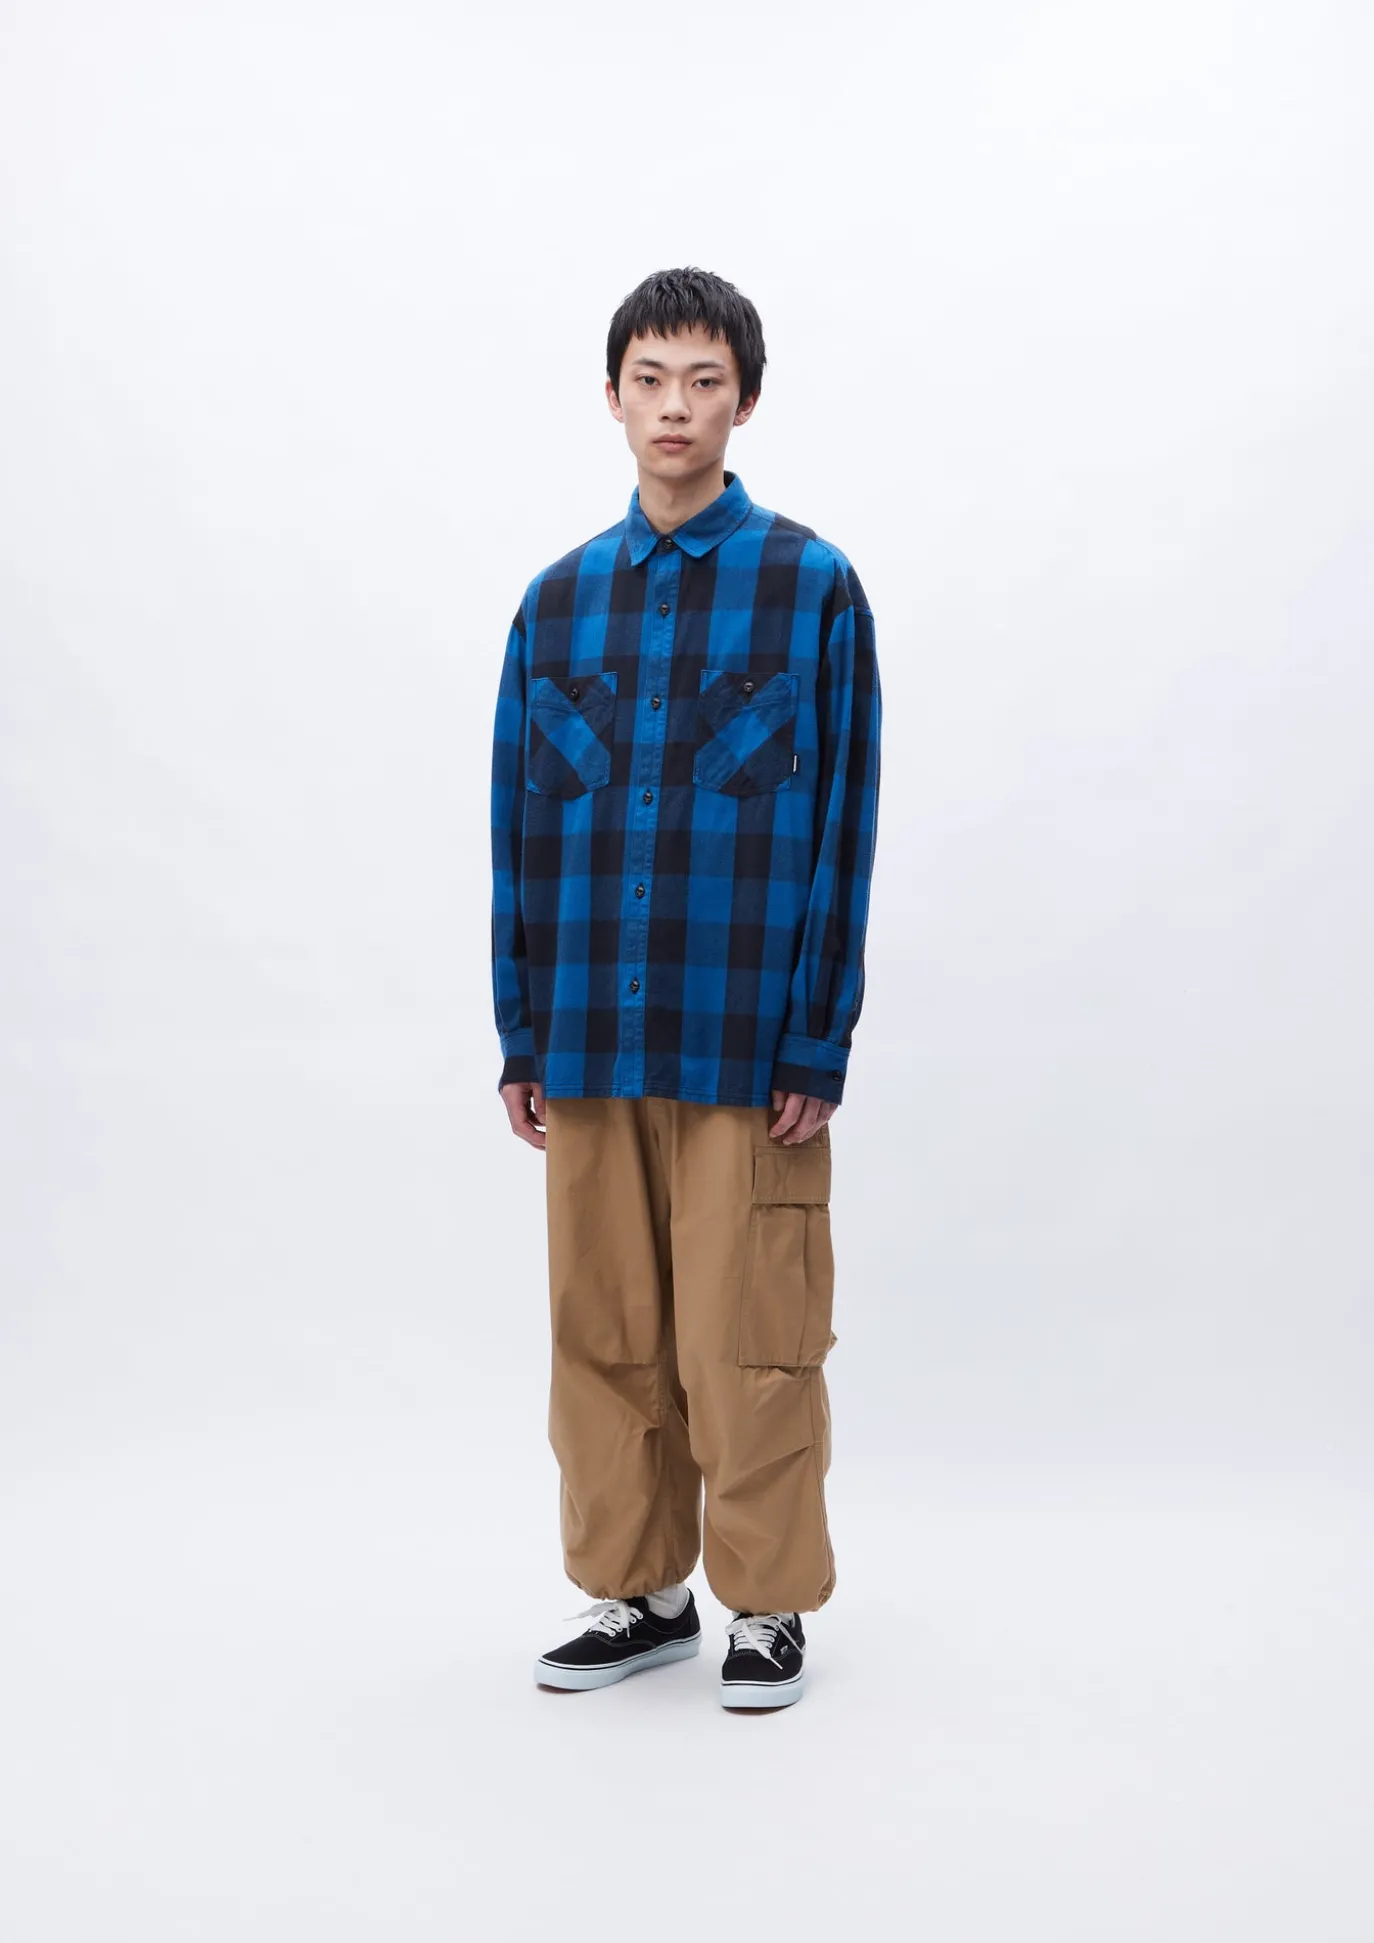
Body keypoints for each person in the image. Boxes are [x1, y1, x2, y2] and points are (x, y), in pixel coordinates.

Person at [489, 266, 882, 1710]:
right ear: (612, 396)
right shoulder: (554, 605)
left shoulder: (811, 587)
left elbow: (841, 826)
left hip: (743, 1044)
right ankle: (638, 1594)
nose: (674, 406)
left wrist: (815, 1037)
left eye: (703, 381)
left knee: (748, 1338)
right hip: (590, 1036)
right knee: (602, 1333)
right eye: (649, 379)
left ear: (744, 400)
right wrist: (521, 1031)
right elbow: (518, 834)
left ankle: (765, 1606)